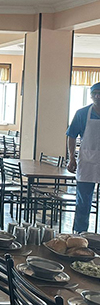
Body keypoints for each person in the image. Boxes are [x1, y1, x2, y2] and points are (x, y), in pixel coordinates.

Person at [68, 81, 100, 233]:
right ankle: (80, 234)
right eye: (95, 94)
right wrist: (71, 158)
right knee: (83, 202)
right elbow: (71, 135)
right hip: (87, 162)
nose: (98, 97)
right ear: (91, 96)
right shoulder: (82, 113)